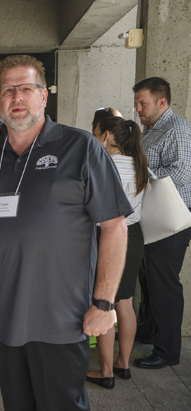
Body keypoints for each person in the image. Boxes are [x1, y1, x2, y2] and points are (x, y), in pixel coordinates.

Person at [0, 54, 131, 411]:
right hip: (4, 320)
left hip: (63, 321)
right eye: (7, 90)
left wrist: (104, 302)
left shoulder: (80, 147)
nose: (17, 97)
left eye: (27, 88)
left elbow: (114, 225)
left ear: (43, 96)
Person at [84, 116, 149, 388]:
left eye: (96, 133)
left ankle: (106, 371)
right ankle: (124, 363)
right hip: (134, 236)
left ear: (106, 136)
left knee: (104, 302)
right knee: (124, 302)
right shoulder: (140, 164)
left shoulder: (103, 164)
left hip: (108, 236)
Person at [133, 77, 191, 369]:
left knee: (164, 283)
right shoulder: (151, 128)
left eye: (142, 103)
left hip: (171, 219)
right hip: (154, 216)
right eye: (137, 104)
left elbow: (181, 175)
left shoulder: (176, 128)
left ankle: (168, 351)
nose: (138, 109)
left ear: (162, 102)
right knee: (149, 280)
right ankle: (146, 332)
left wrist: (139, 171)